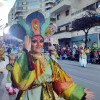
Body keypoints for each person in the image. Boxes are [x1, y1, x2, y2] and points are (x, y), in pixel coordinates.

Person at [10, 11, 94, 100]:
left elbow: (61, 81)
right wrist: (26, 51)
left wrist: (79, 93)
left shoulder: (49, 60)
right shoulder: (23, 59)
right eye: (34, 41)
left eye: (41, 41)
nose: (38, 44)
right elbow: (20, 82)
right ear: (28, 42)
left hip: (48, 96)